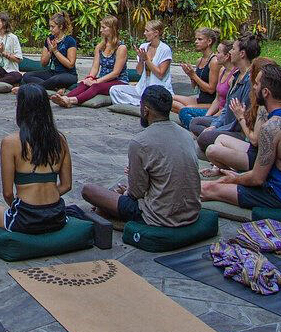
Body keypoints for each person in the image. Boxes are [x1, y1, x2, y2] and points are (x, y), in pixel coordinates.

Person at [201, 63, 281, 212]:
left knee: (207, 188)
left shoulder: (271, 127)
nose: (253, 87)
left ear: (265, 92)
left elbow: (257, 179)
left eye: (256, 84)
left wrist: (233, 178)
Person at [82, 86, 201, 227]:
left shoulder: (140, 142)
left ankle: (105, 211)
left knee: (88, 190)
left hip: (160, 215)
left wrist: (125, 192)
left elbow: (136, 193)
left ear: (145, 110)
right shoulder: (186, 135)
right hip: (192, 211)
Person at [0, 84, 72, 234]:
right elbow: (66, 185)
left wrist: (29, 205)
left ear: (21, 109)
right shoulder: (60, 140)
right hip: (57, 215)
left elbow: (8, 193)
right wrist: (45, 200)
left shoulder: (11, 142)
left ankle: (3, 229)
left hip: (26, 218)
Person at [203, 56, 275, 174]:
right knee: (218, 138)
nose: (253, 85)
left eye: (256, 82)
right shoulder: (255, 96)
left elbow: (254, 140)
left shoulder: (264, 106)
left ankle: (235, 174)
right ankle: (222, 170)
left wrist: (240, 116)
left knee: (210, 148)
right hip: (250, 146)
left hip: (257, 155)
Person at [190, 34, 260, 152]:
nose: (231, 52)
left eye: (233, 49)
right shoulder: (236, 76)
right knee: (195, 122)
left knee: (203, 138)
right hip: (226, 122)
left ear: (242, 54)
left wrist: (218, 130)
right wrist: (215, 126)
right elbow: (227, 107)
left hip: (238, 130)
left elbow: (239, 119)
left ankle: (224, 147)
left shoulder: (249, 81)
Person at [52, 16, 128, 107]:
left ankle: (71, 100)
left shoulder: (121, 48)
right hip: (103, 80)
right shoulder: (100, 47)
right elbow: (95, 67)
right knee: (84, 83)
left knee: (96, 86)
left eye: (104, 27)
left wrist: (96, 82)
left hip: (119, 81)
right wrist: (90, 77)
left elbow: (116, 73)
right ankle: (64, 98)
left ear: (113, 29)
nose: (100, 30)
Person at [108, 19, 173, 106]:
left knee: (153, 99)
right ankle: (141, 104)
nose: (144, 33)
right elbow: (139, 72)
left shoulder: (165, 49)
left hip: (158, 90)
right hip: (142, 88)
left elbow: (160, 74)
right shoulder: (144, 47)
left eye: (147, 31)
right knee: (114, 90)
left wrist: (146, 59)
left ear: (156, 33)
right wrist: (141, 60)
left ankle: (142, 104)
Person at [179, 40, 234, 128]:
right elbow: (217, 99)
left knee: (185, 111)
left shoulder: (233, 77)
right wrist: (207, 117)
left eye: (218, 52)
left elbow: (212, 91)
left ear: (227, 56)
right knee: (176, 103)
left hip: (222, 115)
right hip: (213, 109)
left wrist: (212, 119)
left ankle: (201, 129)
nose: (216, 55)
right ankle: (200, 127)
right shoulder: (222, 71)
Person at [19, 13, 78, 92]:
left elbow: (70, 64)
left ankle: (27, 88)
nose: (50, 29)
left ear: (60, 27)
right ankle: (56, 87)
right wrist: (50, 51)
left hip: (68, 74)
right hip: (52, 73)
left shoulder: (70, 41)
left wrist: (55, 51)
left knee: (55, 79)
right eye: (50, 26)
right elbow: (43, 63)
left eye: (53, 27)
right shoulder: (49, 40)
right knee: (27, 76)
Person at [171, 27, 222, 115]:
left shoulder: (214, 62)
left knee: (183, 108)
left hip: (211, 103)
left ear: (209, 41)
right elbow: (194, 86)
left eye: (199, 39)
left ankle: (191, 114)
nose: (196, 42)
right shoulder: (199, 60)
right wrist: (190, 75)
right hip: (200, 99)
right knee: (168, 99)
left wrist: (193, 75)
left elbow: (211, 89)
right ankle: (190, 113)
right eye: (196, 39)